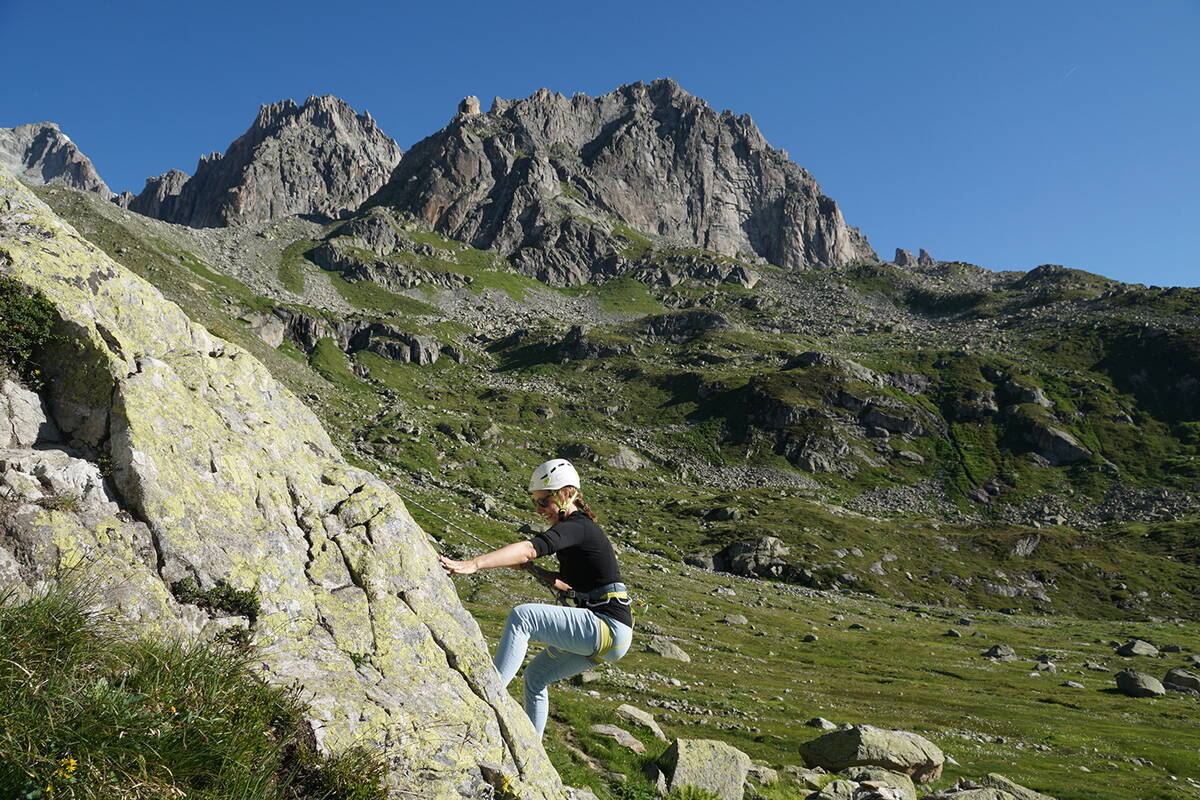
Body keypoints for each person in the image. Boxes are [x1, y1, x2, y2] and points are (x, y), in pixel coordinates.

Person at [438, 458, 633, 737]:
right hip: (612, 635)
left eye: (543, 502)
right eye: (536, 503)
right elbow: (568, 585)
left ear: (566, 494)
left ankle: (486, 696)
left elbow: (531, 548)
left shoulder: (577, 526)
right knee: (536, 677)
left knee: (523, 617)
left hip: (606, 626)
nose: (539, 509)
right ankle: (532, 752)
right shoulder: (578, 530)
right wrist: (533, 570)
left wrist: (475, 564)